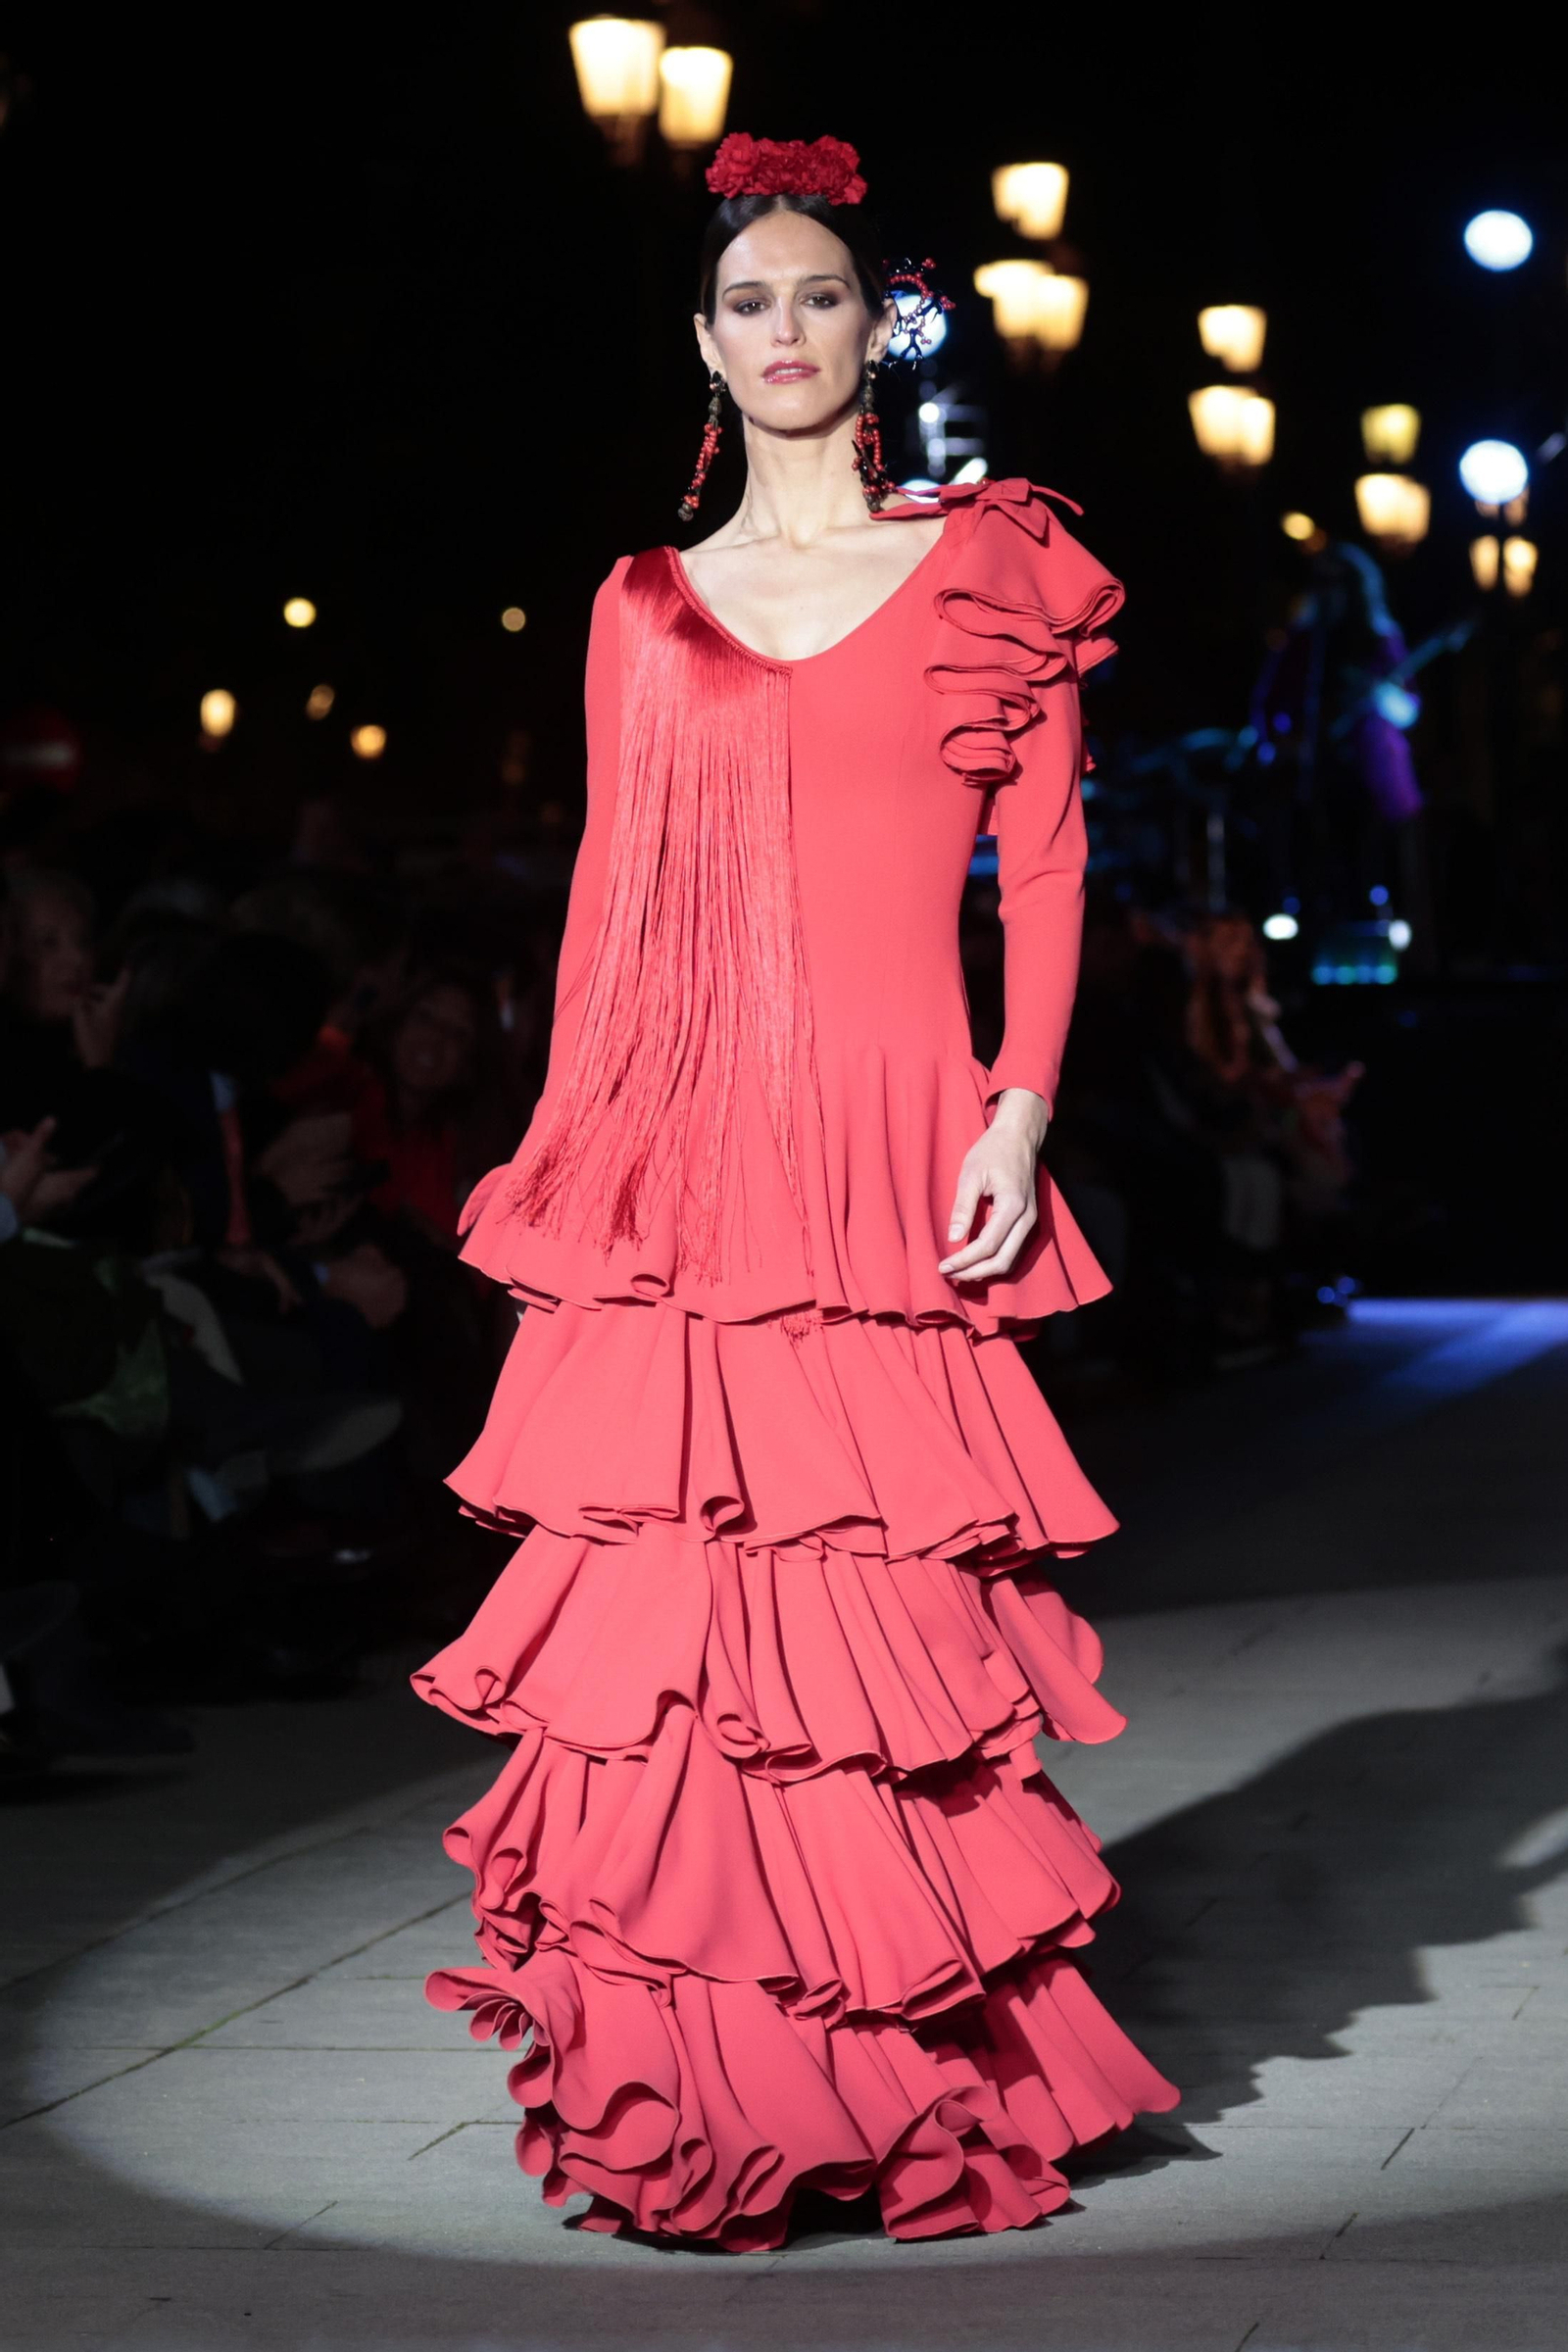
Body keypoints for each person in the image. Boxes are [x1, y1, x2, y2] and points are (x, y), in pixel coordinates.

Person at [412, 132, 1178, 2249]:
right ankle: (699, 2094)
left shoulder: (988, 564)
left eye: (817, 295)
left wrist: (1016, 1109)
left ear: (876, 324)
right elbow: (607, 906)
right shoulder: (637, 604)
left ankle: (906, 2087)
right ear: (701, 341)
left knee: (873, 1641)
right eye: (744, 302)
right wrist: (566, 1180)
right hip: (678, 1167)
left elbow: (1043, 863)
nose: (782, 332)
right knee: (668, 1651)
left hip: (882, 1141)